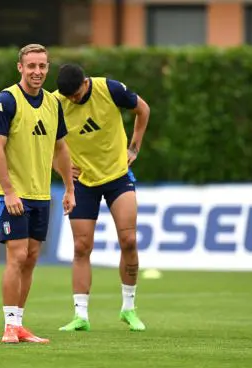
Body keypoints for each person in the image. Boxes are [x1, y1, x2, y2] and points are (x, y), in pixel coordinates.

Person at [0, 44, 75, 344]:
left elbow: (61, 148)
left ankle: (20, 324)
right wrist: (10, 192)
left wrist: (69, 188)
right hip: (11, 193)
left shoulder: (53, 103)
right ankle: (9, 326)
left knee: (32, 257)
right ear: (20, 68)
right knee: (17, 255)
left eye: (42, 66)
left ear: (48, 68)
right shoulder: (6, 100)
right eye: (31, 66)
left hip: (40, 194)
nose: (37, 72)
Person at [54, 64, 151, 332]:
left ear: (86, 82)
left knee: (129, 240)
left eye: (76, 94)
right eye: (69, 96)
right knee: (81, 247)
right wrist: (59, 166)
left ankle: (128, 309)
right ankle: (80, 316)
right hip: (83, 183)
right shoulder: (55, 103)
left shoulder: (109, 88)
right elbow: (44, 141)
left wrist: (134, 147)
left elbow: (143, 109)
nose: (73, 99)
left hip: (118, 176)